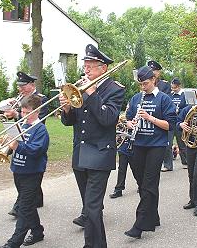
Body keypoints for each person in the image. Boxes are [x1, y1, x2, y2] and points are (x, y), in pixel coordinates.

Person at [60, 44, 125, 248]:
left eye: (90, 66)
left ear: (103, 68)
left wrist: (92, 92)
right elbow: (69, 122)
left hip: (99, 154)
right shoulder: (79, 88)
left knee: (93, 207)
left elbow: (107, 119)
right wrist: (67, 108)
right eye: (85, 65)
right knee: (89, 208)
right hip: (80, 153)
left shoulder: (115, 89)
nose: (86, 69)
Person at [124, 65, 177, 239]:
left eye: (145, 83)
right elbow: (129, 118)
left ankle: (140, 225)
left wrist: (150, 118)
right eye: (140, 84)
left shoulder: (164, 99)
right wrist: (130, 123)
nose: (143, 87)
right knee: (143, 185)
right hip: (138, 145)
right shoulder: (136, 98)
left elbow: (170, 125)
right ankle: (153, 216)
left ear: (153, 80)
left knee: (149, 184)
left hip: (156, 145)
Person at [0, 95, 49, 248]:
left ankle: (14, 242)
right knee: (28, 204)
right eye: (21, 111)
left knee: (24, 207)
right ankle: (37, 231)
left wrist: (17, 147)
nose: (23, 114)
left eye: (27, 112)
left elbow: (36, 151)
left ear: (37, 111)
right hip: (18, 169)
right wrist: (6, 144)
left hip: (32, 172)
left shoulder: (41, 129)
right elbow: (15, 143)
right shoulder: (22, 125)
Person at [5, 72, 48, 217]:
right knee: (30, 178)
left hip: (35, 137)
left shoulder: (41, 99)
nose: (21, 89)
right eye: (19, 86)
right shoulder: (21, 99)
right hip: (21, 136)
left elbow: (40, 119)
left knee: (32, 174)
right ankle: (37, 199)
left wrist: (18, 115)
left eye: (23, 85)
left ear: (32, 85)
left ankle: (20, 206)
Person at [162, 77, 187, 171]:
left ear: (179, 86)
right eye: (172, 88)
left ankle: (186, 162)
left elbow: (188, 107)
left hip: (180, 122)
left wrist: (179, 110)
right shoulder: (170, 95)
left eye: (175, 88)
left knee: (182, 143)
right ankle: (168, 165)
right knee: (167, 144)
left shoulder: (184, 95)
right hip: (170, 122)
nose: (173, 90)